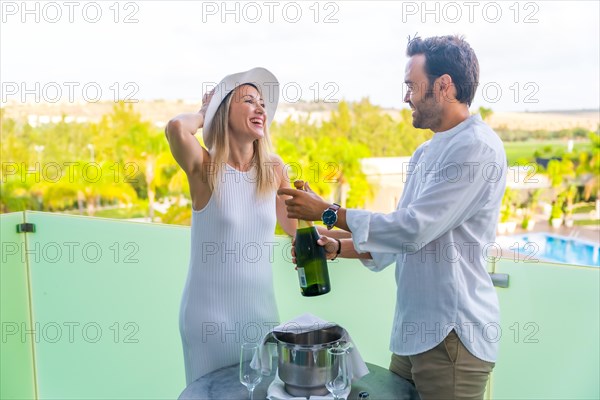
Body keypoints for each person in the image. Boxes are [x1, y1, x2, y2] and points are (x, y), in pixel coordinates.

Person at [278, 35, 507, 400]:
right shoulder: (425, 153)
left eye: (411, 86)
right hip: (413, 335)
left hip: (452, 339)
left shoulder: (476, 148)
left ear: (444, 86)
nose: (405, 98)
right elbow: (398, 240)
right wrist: (334, 248)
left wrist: (326, 212)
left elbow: (413, 229)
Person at [165, 67, 296, 385]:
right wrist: (202, 112)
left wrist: (355, 234)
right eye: (249, 100)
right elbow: (175, 129)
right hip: (209, 322)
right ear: (224, 112)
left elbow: (301, 229)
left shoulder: (274, 170)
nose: (260, 108)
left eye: (262, 103)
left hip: (261, 317)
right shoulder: (205, 168)